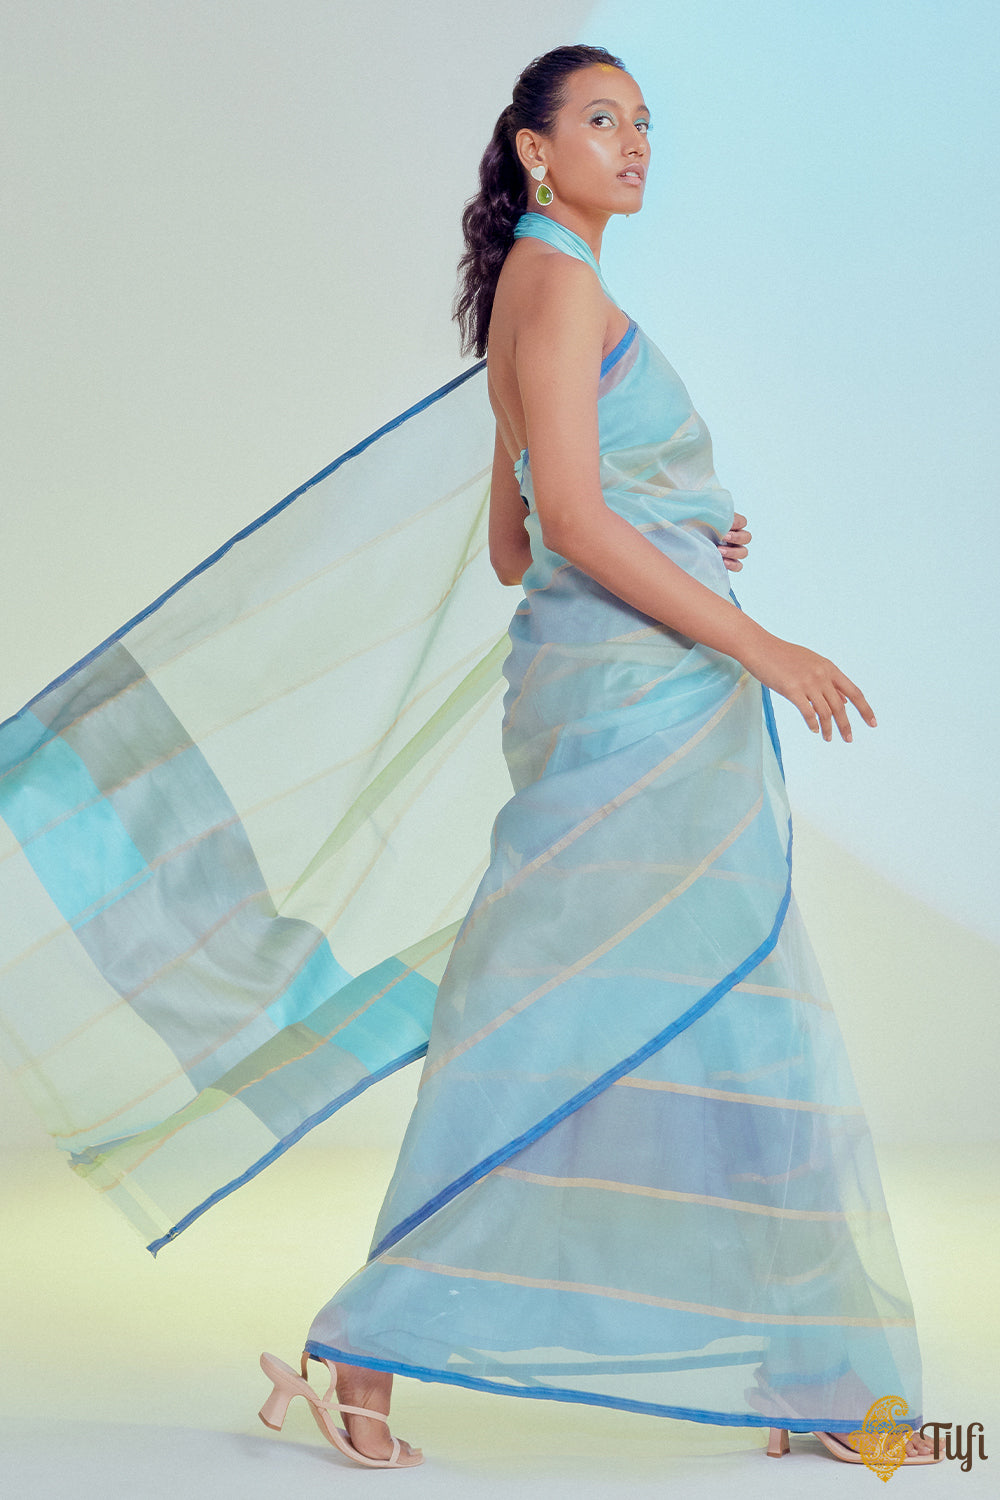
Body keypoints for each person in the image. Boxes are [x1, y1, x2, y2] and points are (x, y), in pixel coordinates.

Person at [256, 45, 939, 1470]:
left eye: (643, 124)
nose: (633, 144)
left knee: (676, 1009)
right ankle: (373, 1354)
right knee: (620, 1015)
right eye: (602, 120)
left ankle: (815, 1378)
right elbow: (567, 525)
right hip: (641, 715)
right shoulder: (561, 287)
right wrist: (766, 644)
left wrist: (683, 526)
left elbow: (515, 541)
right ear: (534, 148)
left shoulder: (533, 288)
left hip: (614, 698)